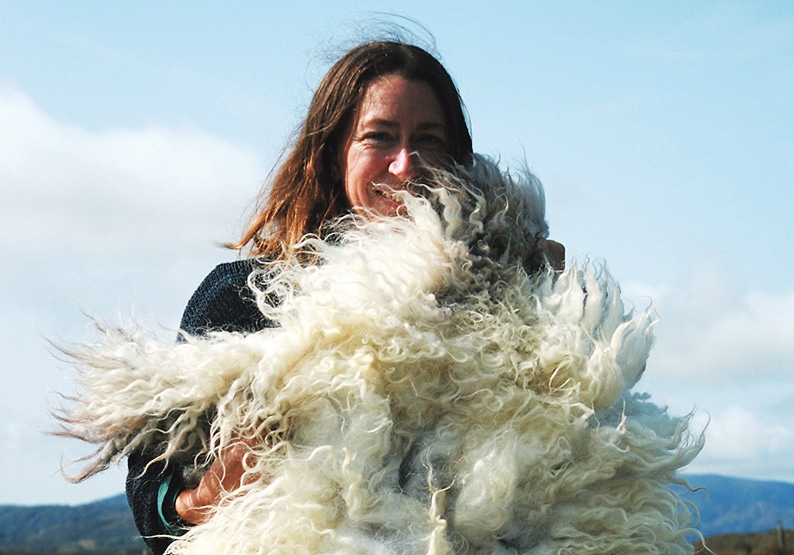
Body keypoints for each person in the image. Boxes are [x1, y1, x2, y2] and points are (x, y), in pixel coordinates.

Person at [125, 39, 563, 554]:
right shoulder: (244, 296)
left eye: (428, 140)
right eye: (379, 137)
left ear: (458, 159)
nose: (406, 165)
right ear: (333, 156)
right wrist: (194, 500)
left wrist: (547, 309)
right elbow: (150, 478)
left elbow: (577, 460)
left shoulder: (513, 290)